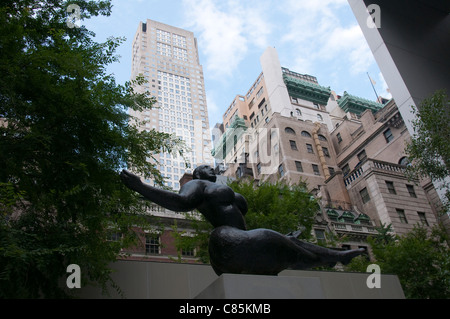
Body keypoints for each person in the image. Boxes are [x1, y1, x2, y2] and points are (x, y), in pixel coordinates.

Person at [120, 165, 364, 275]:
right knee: (272, 238)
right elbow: (180, 203)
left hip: (241, 239)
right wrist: (140, 187)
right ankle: (324, 258)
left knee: (286, 241)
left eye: (213, 169)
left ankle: (333, 256)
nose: (212, 170)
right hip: (225, 240)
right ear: (196, 174)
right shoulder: (197, 184)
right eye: (206, 168)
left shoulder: (220, 189)